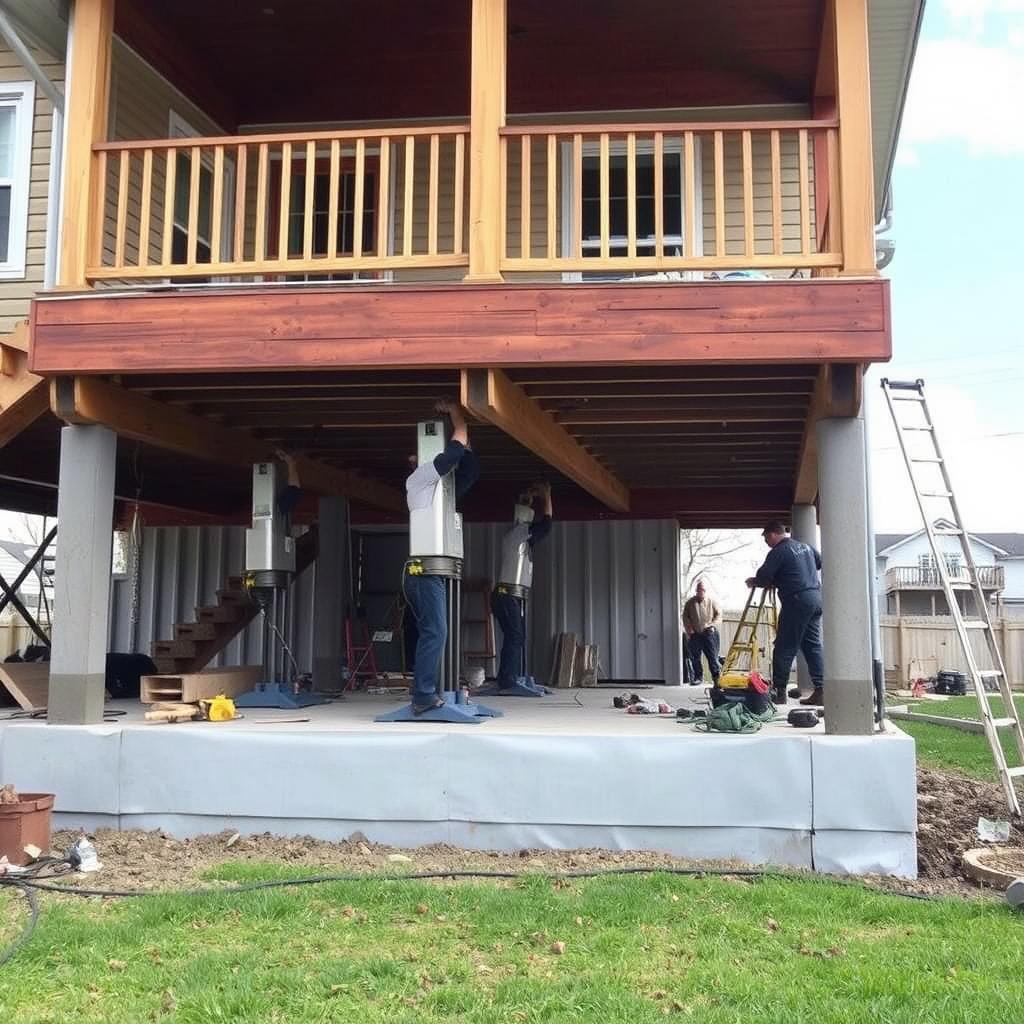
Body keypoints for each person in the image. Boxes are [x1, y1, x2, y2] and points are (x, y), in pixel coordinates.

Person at [403, 400, 480, 714]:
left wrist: (463, 435)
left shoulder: (442, 492)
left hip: (441, 567)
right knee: (436, 631)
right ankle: (423, 696)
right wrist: (457, 417)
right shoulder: (420, 481)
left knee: (439, 631)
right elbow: (453, 455)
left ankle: (443, 692)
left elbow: (469, 468)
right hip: (423, 571)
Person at [745, 520, 824, 705]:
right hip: (815, 598)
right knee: (812, 645)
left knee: (784, 645)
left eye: (766, 538)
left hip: (796, 600)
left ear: (772, 534)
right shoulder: (806, 547)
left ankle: (779, 691)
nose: (766, 542)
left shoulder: (778, 551)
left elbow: (764, 577)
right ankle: (821, 690)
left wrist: (753, 581)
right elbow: (818, 563)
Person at [491, 481, 553, 690]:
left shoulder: (513, 534)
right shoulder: (523, 534)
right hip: (508, 594)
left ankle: (510, 677)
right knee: (516, 636)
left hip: (506, 594)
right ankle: (508, 680)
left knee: (515, 636)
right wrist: (546, 496)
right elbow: (546, 524)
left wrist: (527, 498)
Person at [682, 580, 722, 686]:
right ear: (696, 590)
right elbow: (685, 617)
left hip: (708, 633)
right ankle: (698, 677)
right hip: (695, 633)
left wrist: (712, 625)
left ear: (705, 591)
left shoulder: (711, 602)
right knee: (695, 657)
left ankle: (716, 678)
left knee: (712, 657)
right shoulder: (690, 603)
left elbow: (718, 615)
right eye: (699, 589)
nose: (701, 591)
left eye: (703, 590)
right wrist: (689, 630)